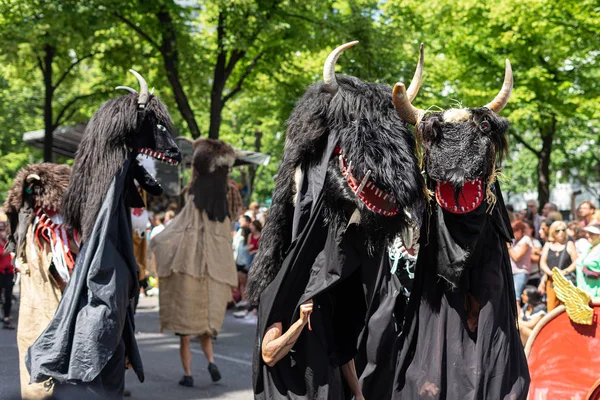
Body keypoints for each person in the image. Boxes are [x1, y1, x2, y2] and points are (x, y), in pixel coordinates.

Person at [152, 138, 238, 388]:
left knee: (185, 335)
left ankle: (188, 374)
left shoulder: (193, 200)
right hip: (212, 274)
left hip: (189, 273)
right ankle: (211, 362)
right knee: (205, 331)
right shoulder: (223, 205)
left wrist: (156, 242)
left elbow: (176, 230)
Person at [539, 221, 578, 311]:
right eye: (557, 230)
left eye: (563, 230)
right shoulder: (548, 245)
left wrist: (565, 271)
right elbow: (542, 263)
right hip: (552, 280)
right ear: (552, 232)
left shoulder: (569, 244)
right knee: (551, 308)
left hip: (566, 280)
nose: (561, 233)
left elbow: (576, 262)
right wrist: (551, 273)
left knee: (567, 308)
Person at [509, 221, 533, 300]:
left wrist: (508, 247)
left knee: (516, 298)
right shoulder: (515, 241)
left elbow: (517, 257)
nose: (512, 233)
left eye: (513, 231)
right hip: (512, 272)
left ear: (519, 230)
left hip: (520, 273)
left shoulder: (525, 240)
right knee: (512, 298)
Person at [575, 223, 600, 297]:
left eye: (592, 234)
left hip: (596, 295)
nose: (588, 235)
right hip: (583, 292)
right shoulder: (588, 248)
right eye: (588, 233)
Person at [0, 216, 15, 330]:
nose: (3, 232)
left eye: (3, 229)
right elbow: (3, 254)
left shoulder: (6, 241)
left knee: (8, 296)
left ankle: (6, 318)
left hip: (8, 272)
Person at [524, 220, 543, 287]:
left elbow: (537, 259)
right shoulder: (518, 242)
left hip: (533, 276)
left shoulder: (536, 242)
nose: (524, 230)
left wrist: (525, 253)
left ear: (531, 229)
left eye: (525, 228)